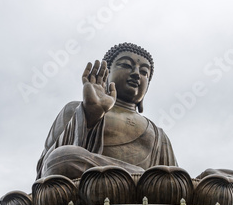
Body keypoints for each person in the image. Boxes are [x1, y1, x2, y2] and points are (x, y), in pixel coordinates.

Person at [36, 43, 177, 180]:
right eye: (126, 65)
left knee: (173, 181)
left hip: (145, 189)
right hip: (90, 184)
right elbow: (46, 166)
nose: (136, 74)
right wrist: (90, 114)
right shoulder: (75, 109)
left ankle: (140, 179)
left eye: (144, 72)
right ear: (106, 75)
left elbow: (172, 177)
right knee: (61, 158)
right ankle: (139, 177)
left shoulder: (158, 134)